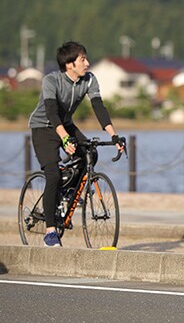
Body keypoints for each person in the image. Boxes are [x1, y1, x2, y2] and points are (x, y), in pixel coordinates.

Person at [27, 41, 125, 247]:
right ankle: (51, 231)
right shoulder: (51, 80)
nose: (88, 63)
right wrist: (64, 138)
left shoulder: (89, 80)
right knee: (52, 174)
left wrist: (114, 136)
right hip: (43, 128)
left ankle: (68, 191)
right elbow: (52, 113)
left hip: (67, 125)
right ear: (70, 64)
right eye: (83, 59)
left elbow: (99, 107)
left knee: (90, 154)